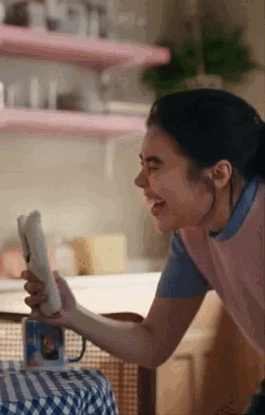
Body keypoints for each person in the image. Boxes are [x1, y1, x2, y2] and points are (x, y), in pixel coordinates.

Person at [22, 89, 265, 414]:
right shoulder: (191, 236)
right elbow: (152, 344)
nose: (139, 181)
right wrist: (73, 314)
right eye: (142, 165)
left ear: (218, 174)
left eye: (154, 166)